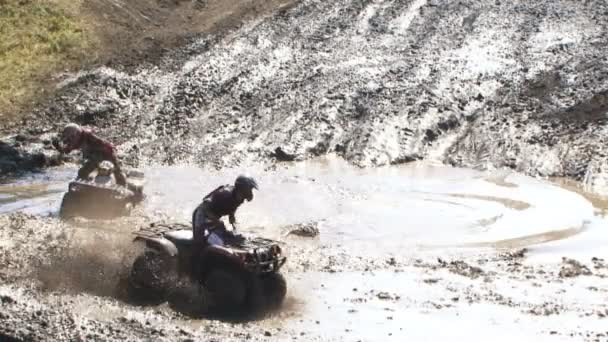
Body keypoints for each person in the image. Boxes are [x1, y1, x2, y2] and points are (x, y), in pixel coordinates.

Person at [192, 175, 259, 247]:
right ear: (242, 188)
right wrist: (216, 221)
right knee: (199, 243)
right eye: (249, 189)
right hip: (202, 214)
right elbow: (205, 205)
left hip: (214, 216)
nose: (250, 192)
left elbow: (232, 208)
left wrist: (234, 225)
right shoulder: (224, 194)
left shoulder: (239, 198)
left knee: (227, 237)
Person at [54, 123, 127, 186]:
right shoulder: (78, 140)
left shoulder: (89, 136)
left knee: (117, 172)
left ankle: (123, 186)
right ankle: (83, 185)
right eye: (69, 138)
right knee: (83, 172)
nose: (71, 140)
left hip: (105, 153)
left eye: (71, 137)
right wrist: (58, 147)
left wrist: (112, 157)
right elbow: (67, 151)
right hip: (94, 156)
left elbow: (105, 145)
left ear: (77, 134)